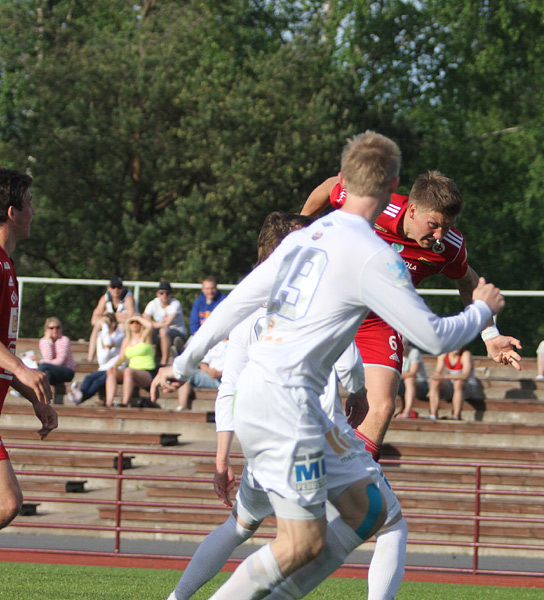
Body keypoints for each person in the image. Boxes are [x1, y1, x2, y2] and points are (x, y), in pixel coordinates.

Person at [156, 131, 504, 598]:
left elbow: (236, 303)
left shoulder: (308, 236)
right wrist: (482, 310)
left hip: (285, 403)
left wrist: (181, 364)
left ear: (346, 180)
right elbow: (432, 336)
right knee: (301, 543)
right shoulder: (377, 256)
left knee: (376, 515)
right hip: (288, 406)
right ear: (395, 188)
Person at [165, 211, 407, 600]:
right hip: (318, 438)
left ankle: (176, 598)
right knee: (383, 523)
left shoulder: (245, 315)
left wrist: (222, 458)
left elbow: (229, 387)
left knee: (241, 526)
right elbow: (348, 366)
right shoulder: (319, 301)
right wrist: (360, 393)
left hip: (264, 445)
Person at [302, 169, 522, 461]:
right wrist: (298, 227)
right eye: (433, 225)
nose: (438, 235)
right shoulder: (375, 203)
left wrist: (490, 335)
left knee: (380, 407)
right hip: (332, 305)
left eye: (446, 227)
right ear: (413, 209)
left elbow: (468, 282)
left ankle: (356, 475)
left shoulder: (449, 246)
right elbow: (332, 186)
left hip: (380, 320)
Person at [0, 168, 57, 530]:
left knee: (7, 503)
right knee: (7, 502)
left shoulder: (7, 265)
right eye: (29, 203)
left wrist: (30, 393)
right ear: (12, 212)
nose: (33, 211)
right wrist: (22, 369)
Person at [150, 341, 227, 412]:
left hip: (226, 379)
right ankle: (182, 407)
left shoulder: (234, 342)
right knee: (188, 374)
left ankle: (181, 359)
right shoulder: (215, 343)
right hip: (210, 377)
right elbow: (203, 364)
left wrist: (220, 373)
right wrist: (209, 371)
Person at [69, 313, 124, 405]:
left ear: (113, 323)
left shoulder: (120, 336)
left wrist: (104, 327)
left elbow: (108, 343)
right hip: (103, 367)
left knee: (97, 382)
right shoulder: (101, 336)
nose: (103, 325)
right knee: (89, 378)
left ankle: (80, 398)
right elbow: (103, 359)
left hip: (115, 368)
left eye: (106, 322)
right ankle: (80, 394)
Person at [105, 315, 158, 408]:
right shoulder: (126, 340)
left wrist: (136, 317)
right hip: (130, 373)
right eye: (132, 322)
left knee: (128, 371)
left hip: (146, 372)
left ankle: (125, 402)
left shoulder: (145, 337)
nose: (134, 324)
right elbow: (122, 357)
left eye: (137, 322)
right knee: (111, 371)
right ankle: (108, 403)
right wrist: (115, 366)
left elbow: (150, 325)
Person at [87, 276, 135, 362]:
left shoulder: (128, 297)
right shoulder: (105, 298)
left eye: (119, 287)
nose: (116, 290)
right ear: (109, 288)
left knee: (124, 327)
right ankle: (90, 358)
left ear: (122, 288)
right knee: (97, 326)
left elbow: (131, 317)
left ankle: (125, 358)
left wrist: (110, 316)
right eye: (113, 287)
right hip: (110, 327)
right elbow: (94, 320)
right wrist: (117, 317)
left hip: (123, 327)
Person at [143, 280, 188, 366]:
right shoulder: (153, 303)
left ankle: (163, 362)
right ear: (157, 294)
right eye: (162, 293)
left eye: (167, 293)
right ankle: (147, 360)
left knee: (163, 331)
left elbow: (167, 323)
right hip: (159, 330)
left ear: (171, 294)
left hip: (177, 331)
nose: (164, 295)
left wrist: (151, 324)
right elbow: (145, 319)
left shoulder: (175, 304)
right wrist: (156, 324)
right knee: (146, 330)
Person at [427, 347, 480, 420]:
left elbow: (465, 375)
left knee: (458, 383)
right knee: (434, 383)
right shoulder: (443, 354)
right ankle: (433, 415)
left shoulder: (465, 354)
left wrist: (444, 376)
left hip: (467, 386)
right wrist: (436, 376)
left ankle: (456, 416)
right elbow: (438, 372)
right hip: (451, 386)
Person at [36, 317, 77, 387]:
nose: (55, 330)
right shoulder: (43, 341)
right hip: (52, 373)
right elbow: (48, 358)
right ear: (46, 329)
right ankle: (43, 396)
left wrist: (41, 361)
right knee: (46, 374)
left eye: (57, 327)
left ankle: (28, 389)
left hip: (67, 372)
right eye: (51, 328)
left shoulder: (64, 340)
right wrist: (48, 341)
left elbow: (60, 362)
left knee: (44, 366)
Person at [396, 342, 427, 419]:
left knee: (409, 380)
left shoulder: (414, 352)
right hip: (401, 383)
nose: (402, 346)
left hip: (420, 384)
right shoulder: (393, 354)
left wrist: (394, 374)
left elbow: (413, 373)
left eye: (404, 344)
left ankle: (407, 412)